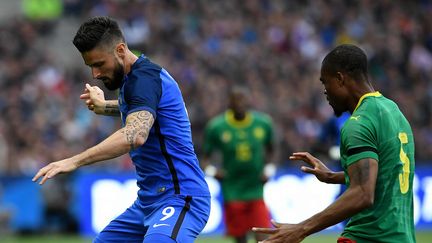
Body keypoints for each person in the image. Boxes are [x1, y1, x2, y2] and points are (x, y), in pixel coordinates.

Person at [32, 16, 210, 243]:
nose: (95, 74)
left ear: (120, 49)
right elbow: (141, 110)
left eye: (99, 64)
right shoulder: (135, 81)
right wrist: (104, 106)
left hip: (180, 196)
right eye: (90, 67)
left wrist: (74, 161)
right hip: (147, 202)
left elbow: (135, 135)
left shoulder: (144, 80)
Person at [253, 44, 416, 243]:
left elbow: (363, 194)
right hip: (402, 236)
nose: (325, 91)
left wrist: (300, 229)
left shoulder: (358, 124)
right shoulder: (393, 111)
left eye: (325, 82)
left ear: (340, 79)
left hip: (369, 236)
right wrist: (333, 176)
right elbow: (387, 171)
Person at [202, 86, 275, 243]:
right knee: (240, 239)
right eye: (236, 99)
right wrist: (212, 171)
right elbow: (204, 157)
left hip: (255, 188)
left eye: (243, 99)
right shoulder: (217, 127)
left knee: (262, 236)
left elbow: (272, 149)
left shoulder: (263, 123)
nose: (240, 103)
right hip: (232, 190)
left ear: (249, 101)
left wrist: (269, 169)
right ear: (229, 103)